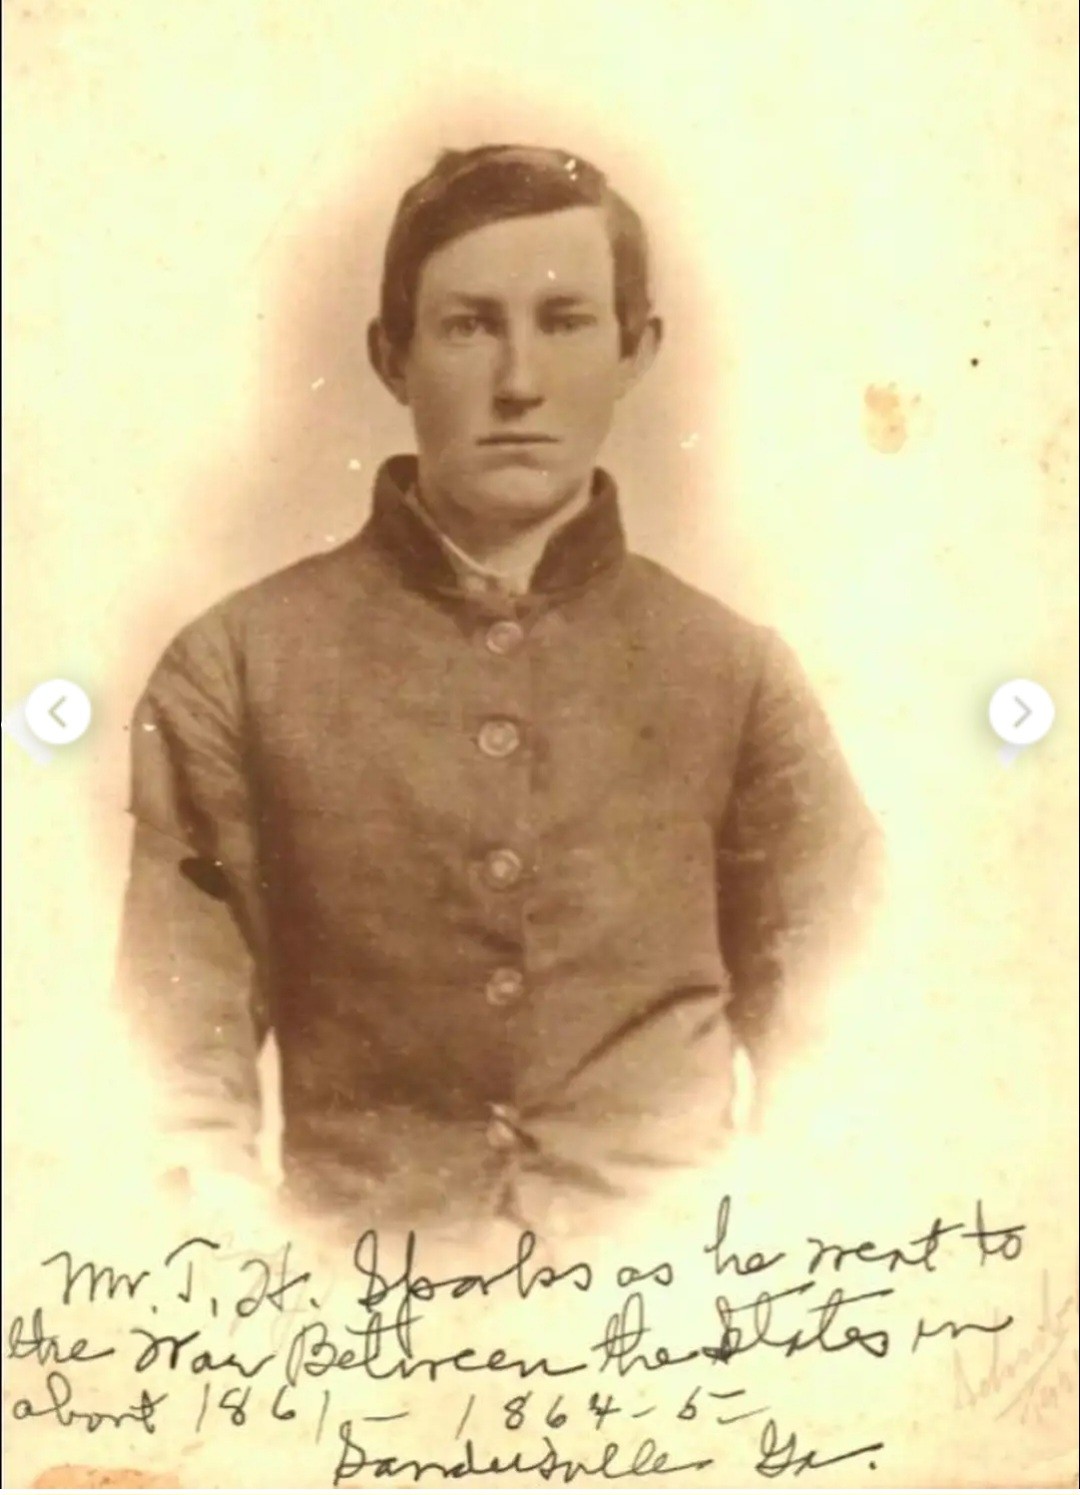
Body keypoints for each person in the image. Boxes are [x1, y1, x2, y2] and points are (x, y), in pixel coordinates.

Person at [117, 143, 881, 1244]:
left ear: (635, 350)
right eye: (470, 325)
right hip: (362, 1310)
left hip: (671, 1309)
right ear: (392, 356)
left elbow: (857, 1052)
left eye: (566, 322)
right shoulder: (234, 667)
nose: (520, 381)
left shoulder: (736, 672)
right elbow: (171, 1087)